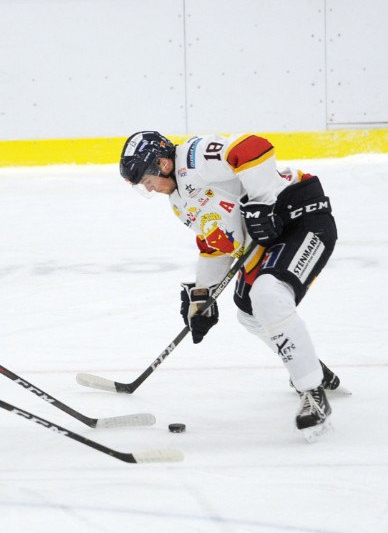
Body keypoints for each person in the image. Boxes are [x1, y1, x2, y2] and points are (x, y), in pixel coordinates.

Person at [118, 131, 346, 442]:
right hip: (267, 239)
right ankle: (306, 365)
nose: (150, 188)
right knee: (250, 314)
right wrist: (202, 296)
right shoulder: (178, 201)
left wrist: (264, 203)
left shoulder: (194, 157)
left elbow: (252, 147)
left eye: (147, 180)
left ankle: (312, 391)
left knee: (268, 294)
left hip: (300, 217)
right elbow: (215, 243)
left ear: (162, 162)